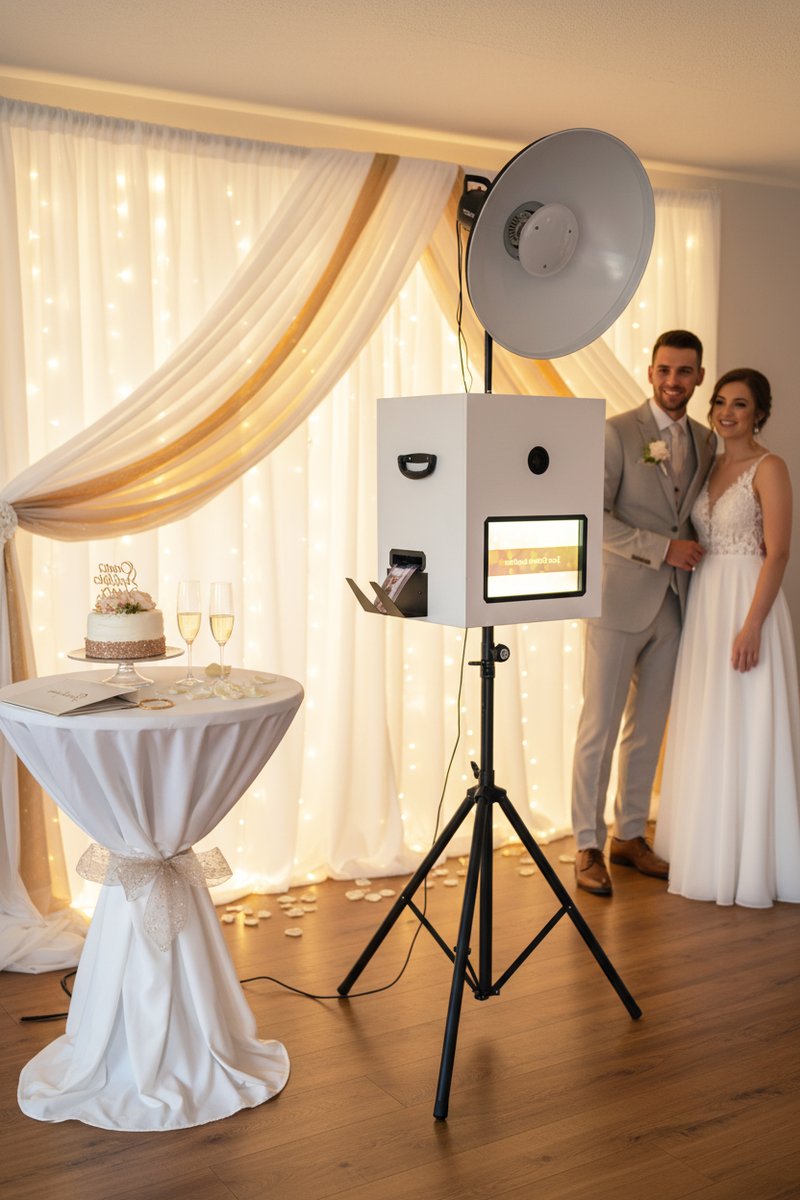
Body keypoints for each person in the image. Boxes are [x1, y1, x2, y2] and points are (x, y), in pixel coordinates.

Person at [571, 330, 716, 895]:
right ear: (650, 371)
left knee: (648, 729)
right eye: (665, 370)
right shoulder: (615, 433)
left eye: (685, 372)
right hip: (617, 601)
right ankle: (587, 843)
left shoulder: (706, 440)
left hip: (676, 605)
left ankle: (629, 836)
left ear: (699, 376)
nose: (674, 381)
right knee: (598, 729)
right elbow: (593, 515)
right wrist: (661, 549)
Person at [654, 369, 800, 906]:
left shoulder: (771, 467)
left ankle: (756, 860)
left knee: (749, 720)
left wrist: (753, 624)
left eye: (740, 404)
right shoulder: (709, 465)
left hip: (748, 604)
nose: (726, 411)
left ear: (759, 412)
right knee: (713, 719)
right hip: (706, 605)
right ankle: (711, 850)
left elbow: (779, 551)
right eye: (720, 401)